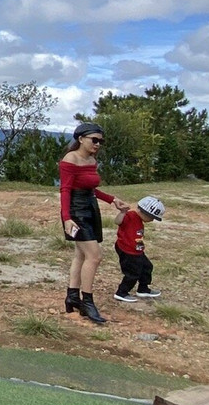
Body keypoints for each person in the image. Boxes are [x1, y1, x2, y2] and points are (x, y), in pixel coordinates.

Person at [59, 121, 129, 324]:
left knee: (81, 254)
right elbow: (65, 190)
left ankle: (72, 298)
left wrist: (112, 199)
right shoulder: (70, 159)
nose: (98, 144)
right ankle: (87, 302)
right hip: (76, 211)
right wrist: (67, 218)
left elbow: (90, 188)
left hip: (90, 208)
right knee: (95, 256)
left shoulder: (91, 160)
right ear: (81, 139)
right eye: (94, 140)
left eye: (101, 141)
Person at [113, 196, 165, 303]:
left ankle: (143, 289)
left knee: (147, 267)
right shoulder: (130, 216)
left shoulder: (140, 219)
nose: (151, 220)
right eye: (152, 217)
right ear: (145, 212)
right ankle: (121, 292)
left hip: (137, 250)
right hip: (128, 250)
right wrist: (122, 213)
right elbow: (117, 221)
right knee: (133, 272)